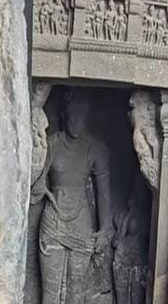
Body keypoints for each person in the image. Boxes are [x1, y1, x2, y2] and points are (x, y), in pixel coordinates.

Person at [39, 92, 110, 304]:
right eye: (72, 115)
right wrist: (42, 188)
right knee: (50, 294)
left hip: (81, 223)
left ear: (88, 116)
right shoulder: (53, 143)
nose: (76, 120)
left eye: (81, 115)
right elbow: (37, 181)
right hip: (53, 221)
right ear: (63, 114)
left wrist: (105, 229)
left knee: (76, 294)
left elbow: (103, 192)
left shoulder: (96, 148)